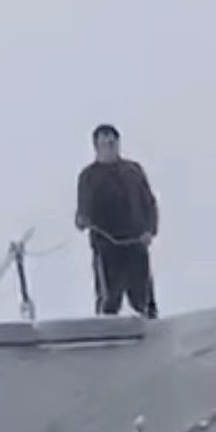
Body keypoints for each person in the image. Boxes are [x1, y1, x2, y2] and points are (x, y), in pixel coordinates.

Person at [75, 124, 160, 317]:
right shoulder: (89, 176)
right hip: (106, 246)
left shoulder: (133, 171)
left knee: (143, 298)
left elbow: (149, 203)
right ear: (96, 147)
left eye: (112, 143)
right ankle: (105, 333)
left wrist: (150, 230)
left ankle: (151, 329)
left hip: (135, 243)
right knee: (109, 299)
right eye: (104, 144)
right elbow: (83, 208)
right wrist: (82, 220)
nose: (109, 147)